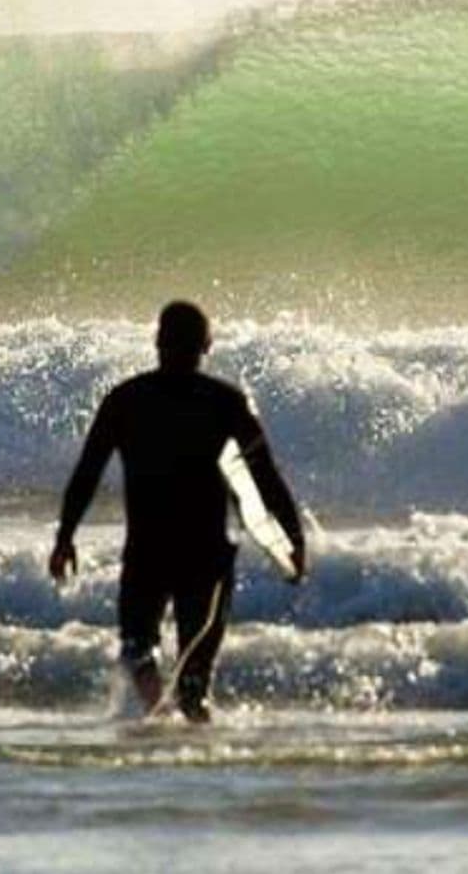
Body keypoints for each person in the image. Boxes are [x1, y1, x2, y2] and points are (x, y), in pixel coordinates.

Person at [49, 300, 307, 722]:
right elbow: (267, 477)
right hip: (205, 555)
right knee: (194, 682)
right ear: (207, 345)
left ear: (157, 342)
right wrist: (293, 540)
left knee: (138, 649)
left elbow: (86, 474)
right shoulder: (224, 401)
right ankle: (185, 739)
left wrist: (65, 539)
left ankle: (160, 721)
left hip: (150, 551)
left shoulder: (126, 400)